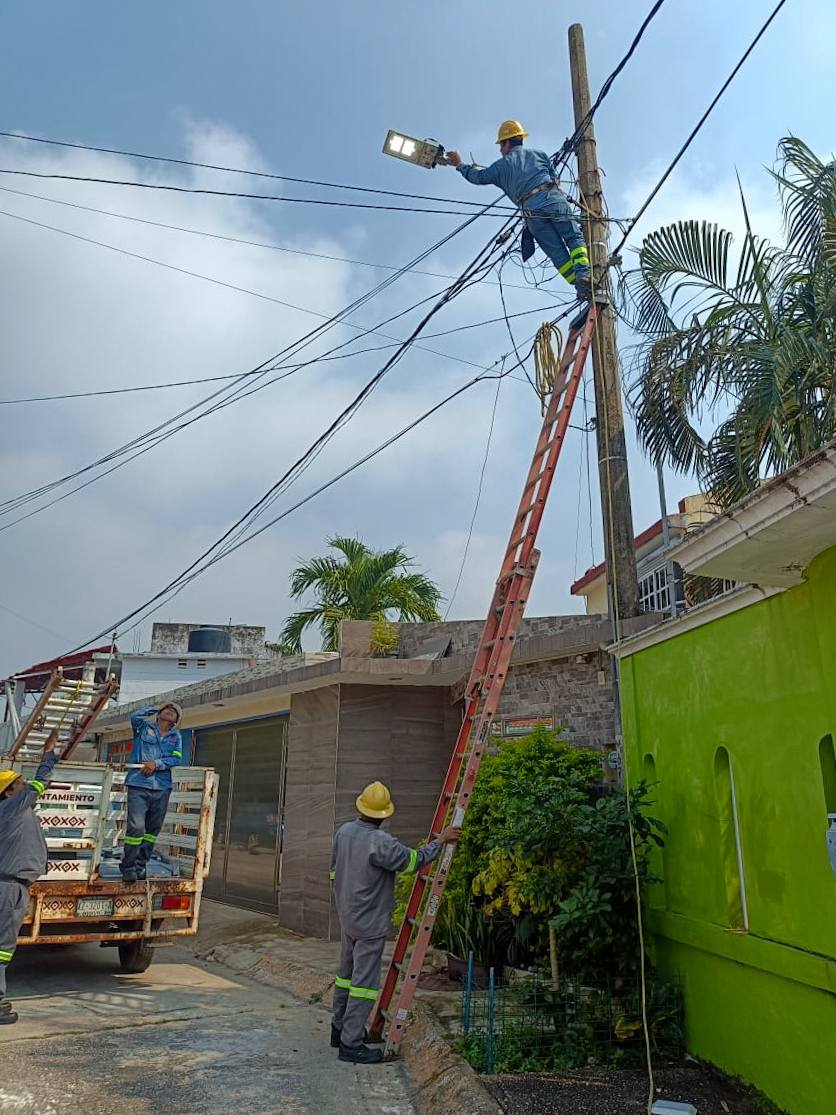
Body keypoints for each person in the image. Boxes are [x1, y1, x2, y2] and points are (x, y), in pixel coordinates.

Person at [329, 780, 460, 1064]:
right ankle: (350, 1044)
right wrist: (442, 840)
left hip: (347, 915)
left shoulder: (344, 832)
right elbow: (415, 861)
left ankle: (338, 1030)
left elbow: (334, 869)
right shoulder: (381, 842)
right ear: (384, 814)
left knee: (345, 976)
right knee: (363, 984)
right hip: (370, 921)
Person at [446, 120, 592, 299]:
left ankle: (579, 286)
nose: (500, 150)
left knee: (556, 253)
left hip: (530, 212)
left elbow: (478, 177)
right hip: (552, 198)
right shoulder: (540, 154)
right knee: (573, 237)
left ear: (507, 143)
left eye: (501, 145)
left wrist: (460, 164)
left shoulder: (500, 167)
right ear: (521, 139)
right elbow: (555, 178)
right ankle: (583, 275)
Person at [0, 729, 59, 1024]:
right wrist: (49, 752)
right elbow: (42, 781)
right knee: (2, 946)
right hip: (10, 888)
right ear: (9, 792)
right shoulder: (11, 808)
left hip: (10, 885)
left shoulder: (11, 810)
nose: (25, 788)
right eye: (19, 785)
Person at [121, 703, 183, 884]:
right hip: (139, 785)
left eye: (174, 712)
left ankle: (140, 866)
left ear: (176, 721)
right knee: (136, 827)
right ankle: (128, 867)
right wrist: (156, 706)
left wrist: (156, 764)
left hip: (162, 787)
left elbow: (176, 758)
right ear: (158, 714)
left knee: (152, 831)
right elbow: (135, 716)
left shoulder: (175, 736)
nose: (170, 710)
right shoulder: (143, 728)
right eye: (167, 709)